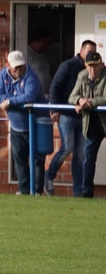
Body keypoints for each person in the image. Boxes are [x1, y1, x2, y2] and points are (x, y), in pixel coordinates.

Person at [45, 40, 96, 196]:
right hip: (66, 114)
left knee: (80, 154)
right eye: (89, 52)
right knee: (67, 147)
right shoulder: (67, 66)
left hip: (83, 116)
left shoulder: (93, 68)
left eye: (94, 52)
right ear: (81, 52)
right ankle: (49, 176)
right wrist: (54, 109)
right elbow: (55, 87)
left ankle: (78, 191)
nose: (91, 55)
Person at [0, 50, 47, 195]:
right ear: (8, 66)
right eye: (15, 67)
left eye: (21, 66)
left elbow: (29, 97)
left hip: (35, 124)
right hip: (16, 126)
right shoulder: (3, 75)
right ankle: (24, 190)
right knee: (19, 159)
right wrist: (12, 100)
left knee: (37, 159)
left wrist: (10, 101)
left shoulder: (31, 76)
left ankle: (37, 191)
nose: (19, 70)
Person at [68, 51, 106, 199]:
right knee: (88, 158)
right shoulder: (82, 76)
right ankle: (86, 191)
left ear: (102, 65)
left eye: (95, 66)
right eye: (90, 66)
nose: (93, 69)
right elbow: (72, 97)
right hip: (92, 124)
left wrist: (88, 103)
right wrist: (79, 101)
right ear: (86, 66)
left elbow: (105, 98)